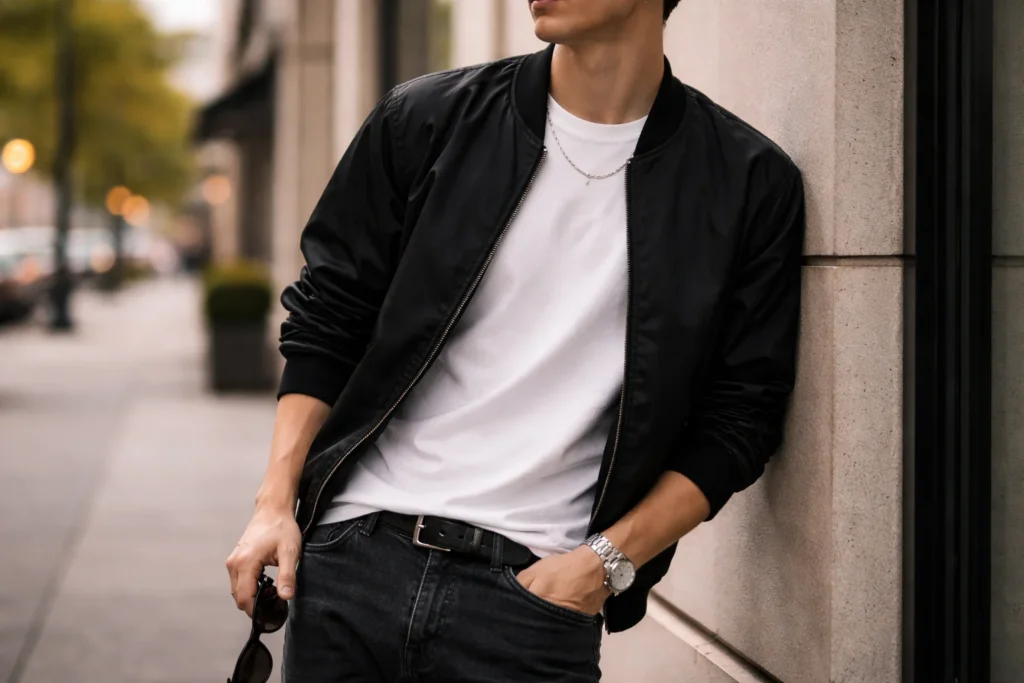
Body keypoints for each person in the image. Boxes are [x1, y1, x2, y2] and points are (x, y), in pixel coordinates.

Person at [226, 0, 805, 680]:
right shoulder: (428, 119)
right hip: (356, 564)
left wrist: (603, 564)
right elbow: (329, 314)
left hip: (532, 603)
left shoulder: (743, 182)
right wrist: (274, 504)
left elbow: (742, 415)